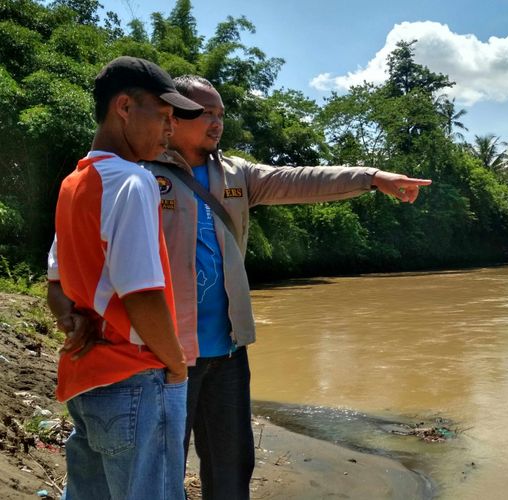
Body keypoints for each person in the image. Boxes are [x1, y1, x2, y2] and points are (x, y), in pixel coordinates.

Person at [148, 75, 430, 499]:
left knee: (232, 465)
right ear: (175, 112)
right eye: (207, 112)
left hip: (227, 350)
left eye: (221, 114)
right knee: (161, 464)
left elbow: (301, 179)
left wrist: (372, 177)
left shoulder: (236, 175)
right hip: (167, 352)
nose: (216, 122)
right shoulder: (146, 173)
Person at [46, 56, 204, 499]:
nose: (170, 130)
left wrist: (70, 319)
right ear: (124, 107)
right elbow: (142, 295)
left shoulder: (74, 184)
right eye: (164, 116)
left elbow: (55, 282)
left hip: (87, 379)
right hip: (136, 376)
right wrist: (175, 364)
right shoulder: (133, 181)